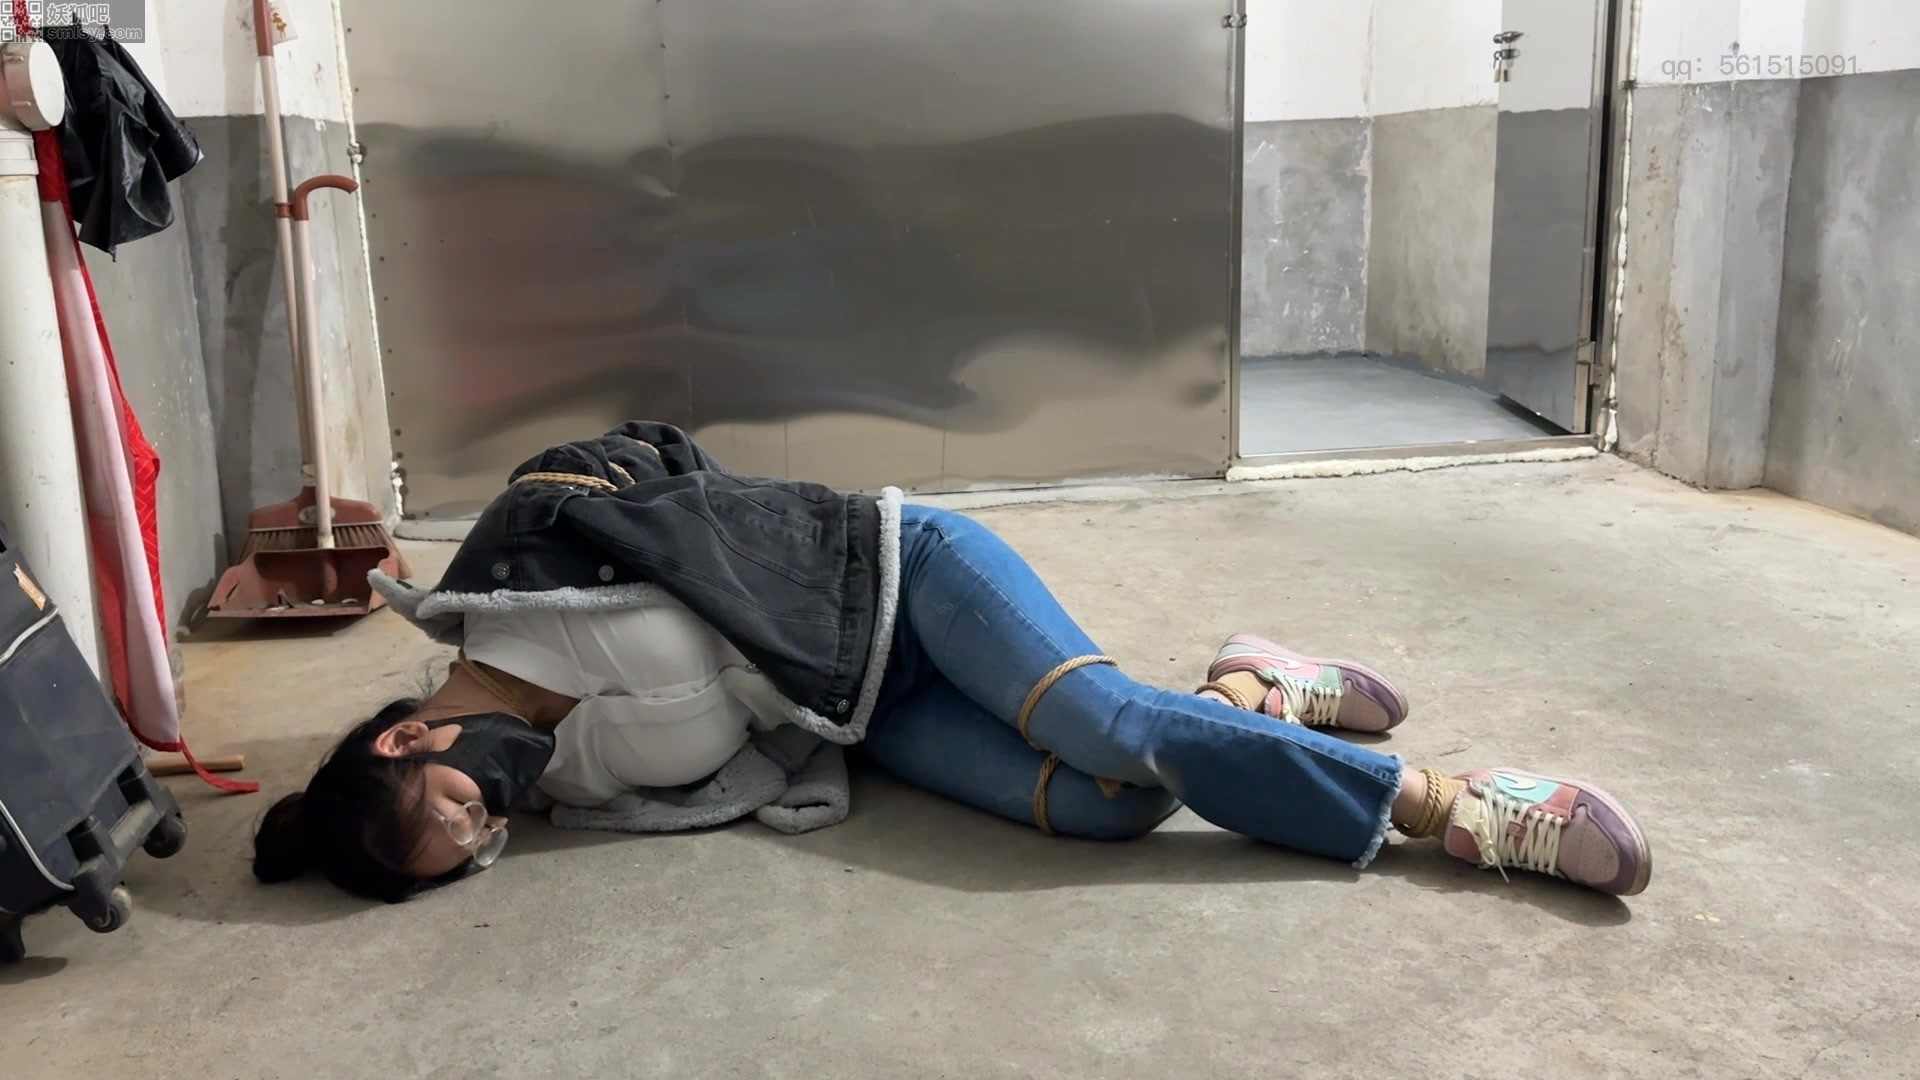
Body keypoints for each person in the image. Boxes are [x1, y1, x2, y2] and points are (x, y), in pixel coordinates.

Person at [253, 423, 1651, 903]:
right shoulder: (572, 786)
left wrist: (635, 505)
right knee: (1106, 810)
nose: (494, 823)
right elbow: (739, 763)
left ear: (406, 739)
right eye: (476, 851)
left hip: (902, 578)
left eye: (459, 810)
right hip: (866, 713)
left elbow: (644, 457)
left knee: (1103, 726)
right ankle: (1252, 687)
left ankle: (1455, 805)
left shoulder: (516, 575)